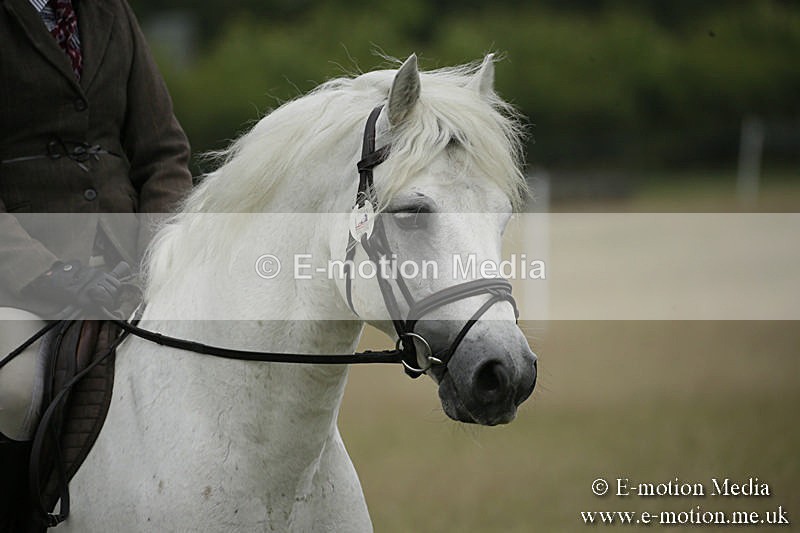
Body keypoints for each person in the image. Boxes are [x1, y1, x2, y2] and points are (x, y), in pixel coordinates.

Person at [0, 0, 193, 530]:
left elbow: (165, 154)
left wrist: (158, 254)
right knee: (13, 390)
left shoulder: (111, 12)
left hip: (127, 260)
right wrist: (51, 276)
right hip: (18, 272)